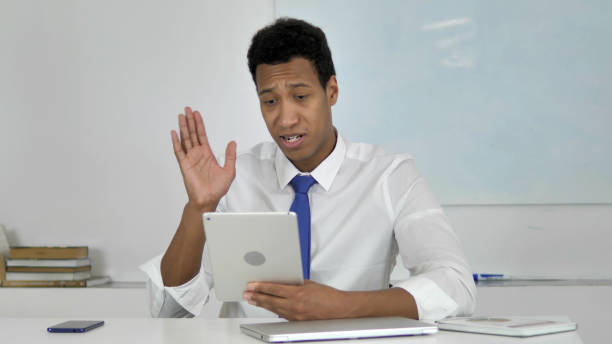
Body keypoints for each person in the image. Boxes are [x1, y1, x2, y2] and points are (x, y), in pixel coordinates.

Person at [140, 17, 476, 321]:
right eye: (270, 101)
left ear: (332, 91)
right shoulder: (232, 179)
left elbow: (456, 286)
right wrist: (199, 208)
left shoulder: (389, 176)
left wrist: (342, 305)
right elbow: (171, 310)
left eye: (300, 96)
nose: (285, 119)